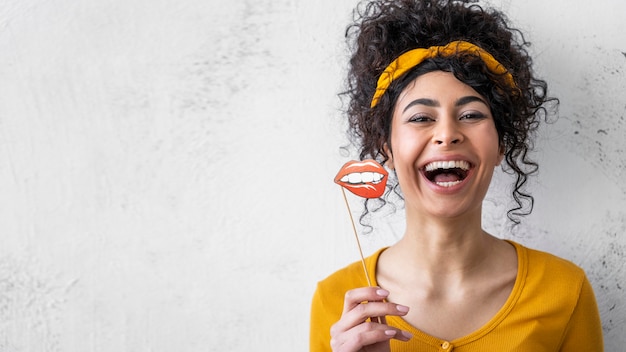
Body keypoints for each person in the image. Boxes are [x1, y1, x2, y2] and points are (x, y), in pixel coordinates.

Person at [310, 0, 604, 351]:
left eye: (470, 115)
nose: (447, 134)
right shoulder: (339, 302)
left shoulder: (565, 290)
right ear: (385, 147)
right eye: (420, 118)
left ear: (500, 146)